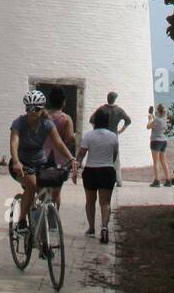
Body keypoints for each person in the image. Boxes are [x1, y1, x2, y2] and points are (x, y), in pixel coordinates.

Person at [9, 90, 77, 229]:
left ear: (42, 109)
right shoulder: (19, 123)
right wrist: (16, 160)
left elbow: (58, 143)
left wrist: (71, 158)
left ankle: (41, 234)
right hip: (21, 164)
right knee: (32, 184)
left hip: (40, 164)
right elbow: (14, 141)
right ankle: (22, 221)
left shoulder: (47, 123)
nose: (32, 112)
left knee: (46, 194)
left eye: (36, 109)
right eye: (29, 108)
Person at [77, 107, 118, 243]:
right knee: (105, 202)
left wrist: (76, 166)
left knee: (90, 201)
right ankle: (105, 227)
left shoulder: (89, 135)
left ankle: (91, 228)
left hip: (91, 171)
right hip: (107, 170)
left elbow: (82, 154)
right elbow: (114, 154)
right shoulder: (113, 136)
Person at [43, 86, 76, 209]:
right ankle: (54, 218)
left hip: (42, 157)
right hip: (59, 159)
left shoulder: (43, 116)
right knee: (56, 192)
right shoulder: (66, 118)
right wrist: (75, 138)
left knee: (42, 189)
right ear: (63, 102)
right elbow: (69, 138)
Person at [90, 90, 131, 188]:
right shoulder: (119, 110)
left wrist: (97, 128)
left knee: (101, 158)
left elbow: (91, 120)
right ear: (115, 99)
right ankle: (118, 180)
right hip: (114, 136)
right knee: (116, 159)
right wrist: (121, 130)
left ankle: (100, 179)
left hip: (102, 136)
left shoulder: (101, 109)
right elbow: (128, 121)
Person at [148, 103, 171, 186]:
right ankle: (168, 180)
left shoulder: (156, 120)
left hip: (156, 141)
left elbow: (148, 126)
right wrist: (154, 119)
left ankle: (157, 180)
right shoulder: (165, 119)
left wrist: (150, 119)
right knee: (164, 161)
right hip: (164, 141)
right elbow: (159, 123)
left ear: (157, 110)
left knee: (156, 162)